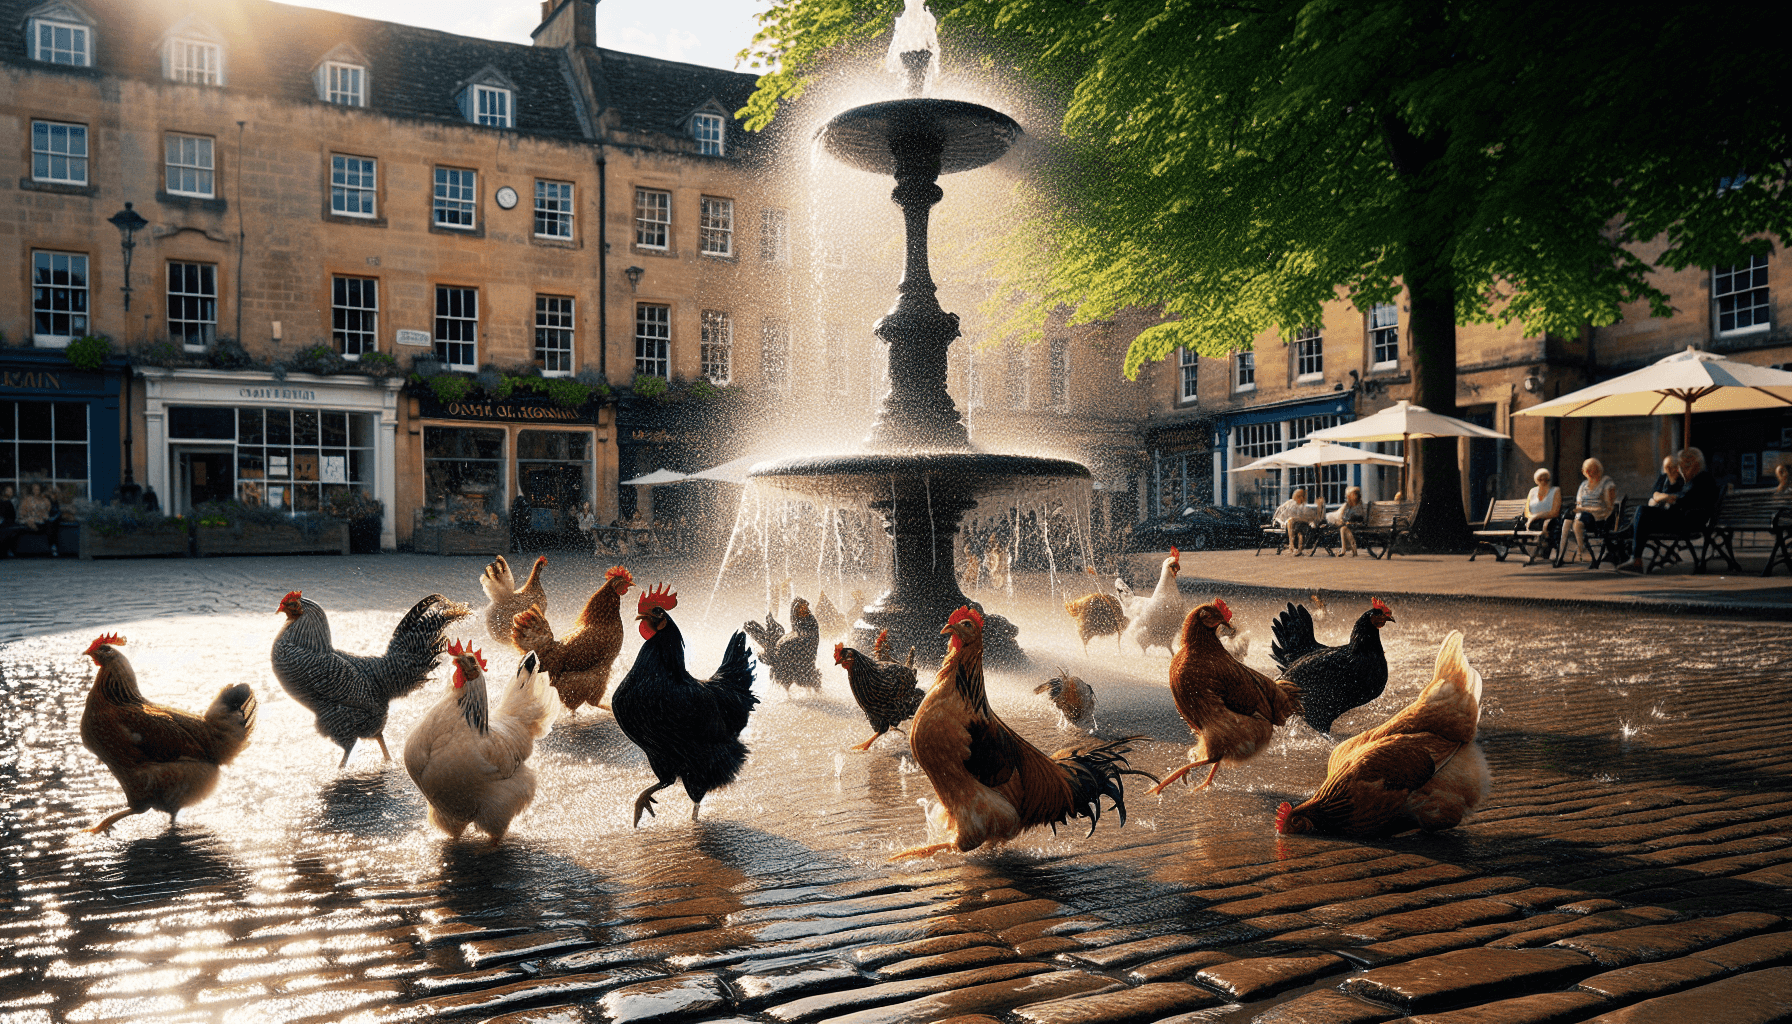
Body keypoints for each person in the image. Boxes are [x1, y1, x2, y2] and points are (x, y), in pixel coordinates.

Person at [1625, 447, 1718, 572]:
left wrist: (1664, 497)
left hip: (1688, 522)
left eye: (1685, 466)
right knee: (1640, 516)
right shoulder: (1693, 480)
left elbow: (1681, 499)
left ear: (1695, 464)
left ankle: (1634, 557)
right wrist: (1668, 497)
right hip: (1682, 519)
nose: (1682, 470)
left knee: (1642, 512)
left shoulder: (1702, 479)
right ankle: (1629, 552)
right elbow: (1676, 497)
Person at [1559, 458, 1615, 565]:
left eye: (1591, 469)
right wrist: (1580, 511)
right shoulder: (1583, 485)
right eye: (1586, 470)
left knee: (1578, 520)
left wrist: (1585, 510)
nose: (1588, 472)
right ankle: (1561, 555)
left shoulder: (1606, 483)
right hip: (1584, 518)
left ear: (1598, 469)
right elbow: (1578, 503)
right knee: (1566, 518)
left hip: (1600, 519)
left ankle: (1580, 549)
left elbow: (1608, 508)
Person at [1523, 468, 1562, 560]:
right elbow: (1526, 511)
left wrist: (1538, 515)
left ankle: (1543, 548)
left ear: (1549, 480)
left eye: (1546, 479)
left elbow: (1555, 512)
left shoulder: (1555, 490)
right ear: (1536, 480)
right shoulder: (1532, 491)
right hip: (1532, 521)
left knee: (1547, 525)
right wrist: (1532, 517)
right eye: (1540, 479)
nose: (1543, 481)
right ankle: (1537, 548)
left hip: (1550, 520)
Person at [1273, 487, 1325, 556]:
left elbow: (1307, 517)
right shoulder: (1291, 504)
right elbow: (1287, 517)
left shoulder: (1302, 506)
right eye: (1303, 497)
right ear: (1299, 497)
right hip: (1280, 522)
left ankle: (1298, 549)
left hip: (1294, 525)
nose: (1305, 499)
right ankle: (1291, 544)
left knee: (1300, 530)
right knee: (1292, 522)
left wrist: (1319, 509)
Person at [1326, 486, 1366, 556]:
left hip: (1357, 524)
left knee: (1343, 528)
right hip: (1345, 522)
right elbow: (1343, 516)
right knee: (1343, 528)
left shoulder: (1358, 505)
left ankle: (1344, 549)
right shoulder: (1348, 505)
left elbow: (1359, 516)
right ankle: (1350, 550)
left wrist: (1350, 520)